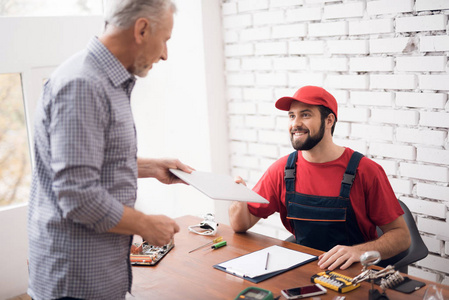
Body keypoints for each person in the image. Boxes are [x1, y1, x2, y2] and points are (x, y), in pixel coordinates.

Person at [27, 1, 192, 299]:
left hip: (97, 274)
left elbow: (90, 161)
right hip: (75, 281)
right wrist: (146, 225)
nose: (165, 54)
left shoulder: (103, 81)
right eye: (165, 40)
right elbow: (77, 196)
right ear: (141, 29)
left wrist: (150, 167)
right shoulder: (83, 85)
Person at [229, 85, 411, 271]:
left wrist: (357, 252)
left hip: (353, 274)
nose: (295, 123)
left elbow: (402, 237)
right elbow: (241, 225)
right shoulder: (282, 170)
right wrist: (239, 198)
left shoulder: (365, 171)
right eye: (292, 116)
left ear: (329, 120)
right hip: (302, 269)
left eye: (305, 115)